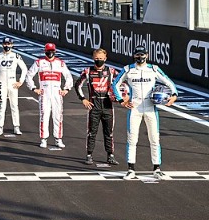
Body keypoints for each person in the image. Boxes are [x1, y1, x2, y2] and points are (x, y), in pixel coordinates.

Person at [112, 45, 178, 180]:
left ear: (147, 55)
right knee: (132, 139)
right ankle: (130, 169)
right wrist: (121, 100)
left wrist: (174, 95)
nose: (140, 57)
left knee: (154, 139)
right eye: (137, 54)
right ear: (134, 55)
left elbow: (168, 82)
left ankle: (157, 169)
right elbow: (115, 84)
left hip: (150, 108)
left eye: (142, 54)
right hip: (134, 108)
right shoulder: (128, 69)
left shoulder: (154, 69)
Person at [75, 48, 119, 165]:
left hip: (108, 106)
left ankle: (110, 155)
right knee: (91, 132)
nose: (99, 60)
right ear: (93, 58)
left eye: (101, 58)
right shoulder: (88, 71)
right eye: (97, 58)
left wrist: (121, 97)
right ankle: (89, 155)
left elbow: (122, 83)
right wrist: (83, 99)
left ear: (105, 58)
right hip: (94, 106)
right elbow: (77, 85)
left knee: (109, 133)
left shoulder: (111, 71)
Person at [25, 42, 72, 149]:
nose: (50, 53)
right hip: (44, 93)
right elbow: (29, 75)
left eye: (52, 51)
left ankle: (58, 138)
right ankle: (43, 139)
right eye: (48, 51)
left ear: (55, 51)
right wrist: (34, 88)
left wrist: (66, 89)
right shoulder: (39, 63)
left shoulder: (60, 63)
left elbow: (68, 77)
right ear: (45, 51)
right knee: (44, 116)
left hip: (57, 93)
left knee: (58, 116)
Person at [0, 37, 28, 136]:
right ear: (2, 44)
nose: (7, 45)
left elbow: (24, 69)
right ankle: (0, 127)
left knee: (14, 106)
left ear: (12, 45)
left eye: (9, 44)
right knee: (1, 106)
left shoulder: (16, 56)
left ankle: (16, 127)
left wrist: (20, 81)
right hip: (1, 84)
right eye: (5, 44)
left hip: (13, 84)